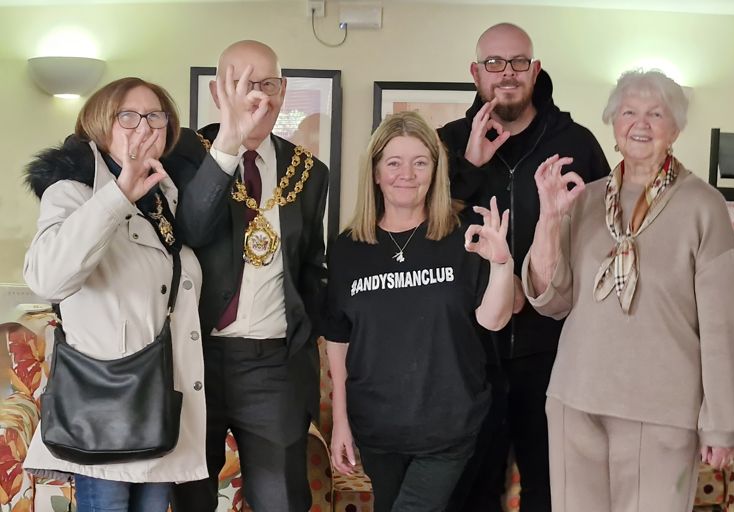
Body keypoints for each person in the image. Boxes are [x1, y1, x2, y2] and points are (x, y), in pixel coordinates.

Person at [523, 69, 734, 512]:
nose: (640, 123)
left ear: (675, 128)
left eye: (655, 113)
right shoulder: (584, 200)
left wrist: (722, 425)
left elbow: (724, 327)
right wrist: (549, 218)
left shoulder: (704, 207)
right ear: (613, 123)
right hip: (575, 400)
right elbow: (552, 299)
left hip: (663, 410)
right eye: (629, 112)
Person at [437, 23, 612, 512]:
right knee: (472, 490)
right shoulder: (446, 144)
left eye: (518, 63)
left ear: (535, 71)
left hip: (555, 352)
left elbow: (606, 242)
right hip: (468, 354)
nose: (506, 74)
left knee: (554, 488)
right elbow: (424, 235)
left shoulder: (575, 141)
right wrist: (467, 167)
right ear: (476, 73)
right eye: (494, 64)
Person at [21, 77, 207, 512]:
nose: (143, 127)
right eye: (128, 116)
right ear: (100, 126)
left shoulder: (167, 196)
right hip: (105, 403)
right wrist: (118, 194)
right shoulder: (72, 190)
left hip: (158, 400)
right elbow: (47, 278)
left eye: (155, 116)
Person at [325, 111, 516, 512]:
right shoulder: (347, 248)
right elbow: (339, 340)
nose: (406, 174)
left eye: (420, 163)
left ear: (436, 170)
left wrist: (501, 266)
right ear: (375, 173)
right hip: (376, 426)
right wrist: (340, 420)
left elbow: (493, 319)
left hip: (449, 426)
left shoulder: (461, 234)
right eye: (393, 163)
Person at [171, 40, 329, 512]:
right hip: (195, 358)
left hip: (273, 365)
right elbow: (190, 230)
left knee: (282, 499)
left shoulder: (309, 172)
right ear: (219, 93)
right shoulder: (185, 153)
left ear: (283, 91)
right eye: (242, 85)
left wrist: (306, 333)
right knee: (191, 497)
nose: (257, 95)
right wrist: (228, 144)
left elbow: (310, 266)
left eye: (268, 84)